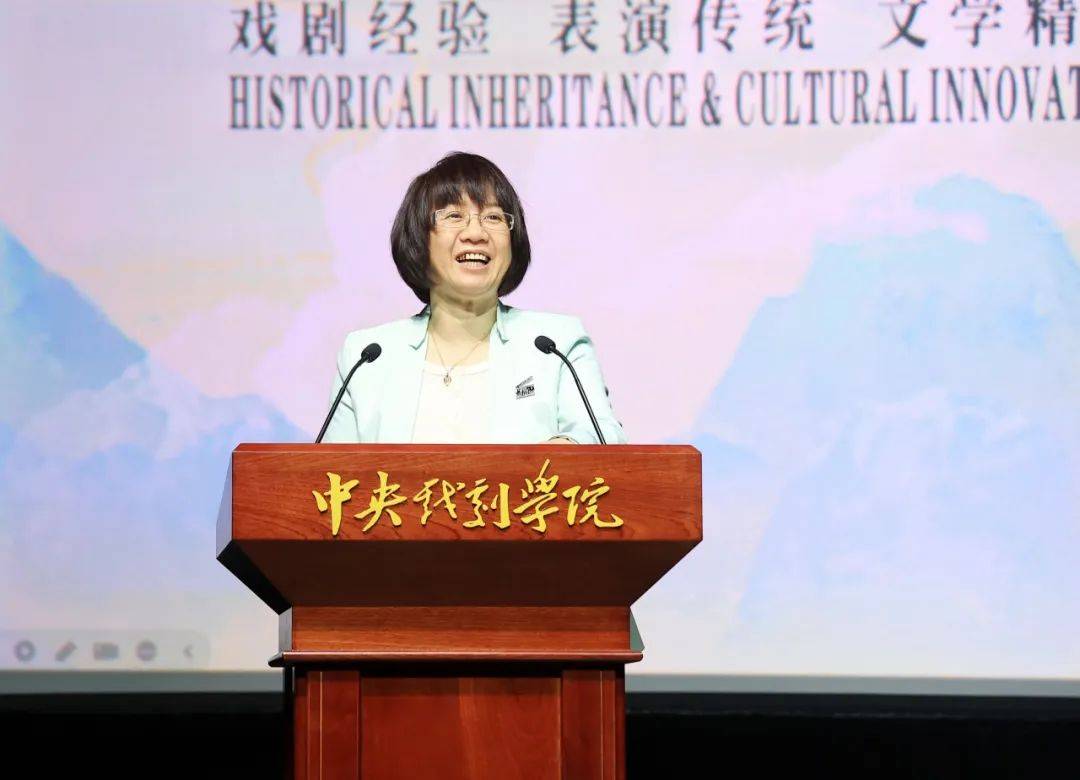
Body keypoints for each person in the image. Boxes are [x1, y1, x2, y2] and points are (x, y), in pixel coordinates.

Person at [320, 151, 627, 445]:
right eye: (454, 215)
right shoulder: (368, 357)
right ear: (418, 238)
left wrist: (568, 447)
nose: (476, 233)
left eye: (493, 217)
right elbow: (327, 471)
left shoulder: (556, 344)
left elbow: (603, 437)